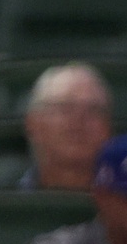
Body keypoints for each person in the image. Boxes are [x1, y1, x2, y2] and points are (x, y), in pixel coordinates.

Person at [21, 63, 112, 191]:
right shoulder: (2, 207)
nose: (79, 119)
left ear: (107, 128)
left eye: (93, 110)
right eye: (65, 108)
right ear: (34, 124)